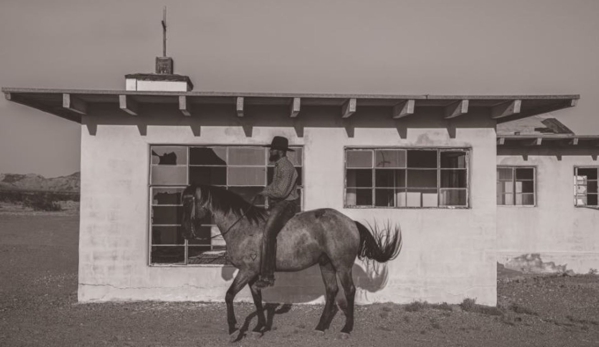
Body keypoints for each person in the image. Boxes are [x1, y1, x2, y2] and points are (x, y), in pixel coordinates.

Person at [254, 136, 300, 288]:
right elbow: (275, 187)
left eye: (272, 149)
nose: (270, 151)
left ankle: (267, 276)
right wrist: (264, 192)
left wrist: (264, 192)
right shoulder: (279, 166)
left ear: (280, 151)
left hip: (286, 204)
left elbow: (280, 191)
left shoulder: (286, 167)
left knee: (268, 233)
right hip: (279, 203)